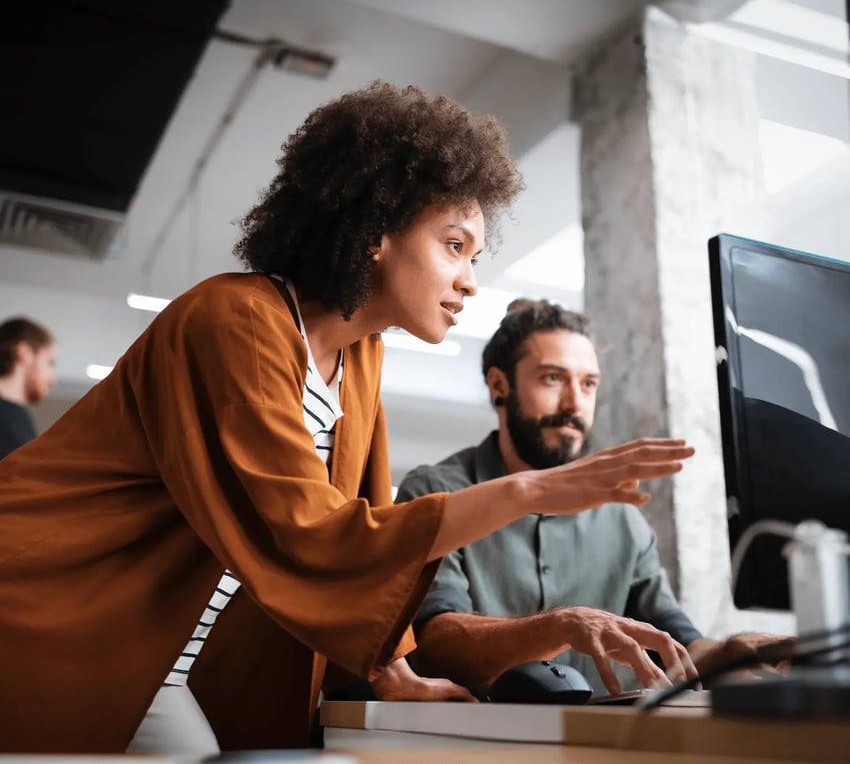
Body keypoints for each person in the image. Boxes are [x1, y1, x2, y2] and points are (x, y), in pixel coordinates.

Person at [0, 83, 695, 754]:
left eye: (474, 256)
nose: (470, 280)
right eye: (454, 245)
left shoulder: (358, 360)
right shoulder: (235, 319)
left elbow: (359, 526)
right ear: (376, 232)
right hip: (52, 611)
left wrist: (399, 679)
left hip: (155, 654)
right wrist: (529, 492)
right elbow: (310, 533)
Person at [396, 298, 784, 695]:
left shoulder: (622, 515)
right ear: (499, 385)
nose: (573, 404)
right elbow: (435, 644)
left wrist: (731, 653)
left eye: (588, 384)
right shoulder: (434, 492)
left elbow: (676, 641)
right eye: (552, 378)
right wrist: (560, 625)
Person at [0, 317, 56, 460]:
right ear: (25, 353)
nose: (52, 379)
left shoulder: (16, 419)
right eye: (50, 363)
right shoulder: (9, 419)